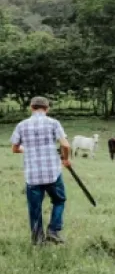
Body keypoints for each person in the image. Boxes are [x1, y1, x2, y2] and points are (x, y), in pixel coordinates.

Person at [10, 96, 71, 245]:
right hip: (52, 174)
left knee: (34, 209)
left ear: (31, 107)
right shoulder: (53, 123)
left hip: (32, 176)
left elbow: (15, 148)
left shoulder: (22, 125)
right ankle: (54, 230)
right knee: (59, 200)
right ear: (47, 108)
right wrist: (65, 159)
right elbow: (65, 145)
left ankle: (38, 241)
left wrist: (29, 149)